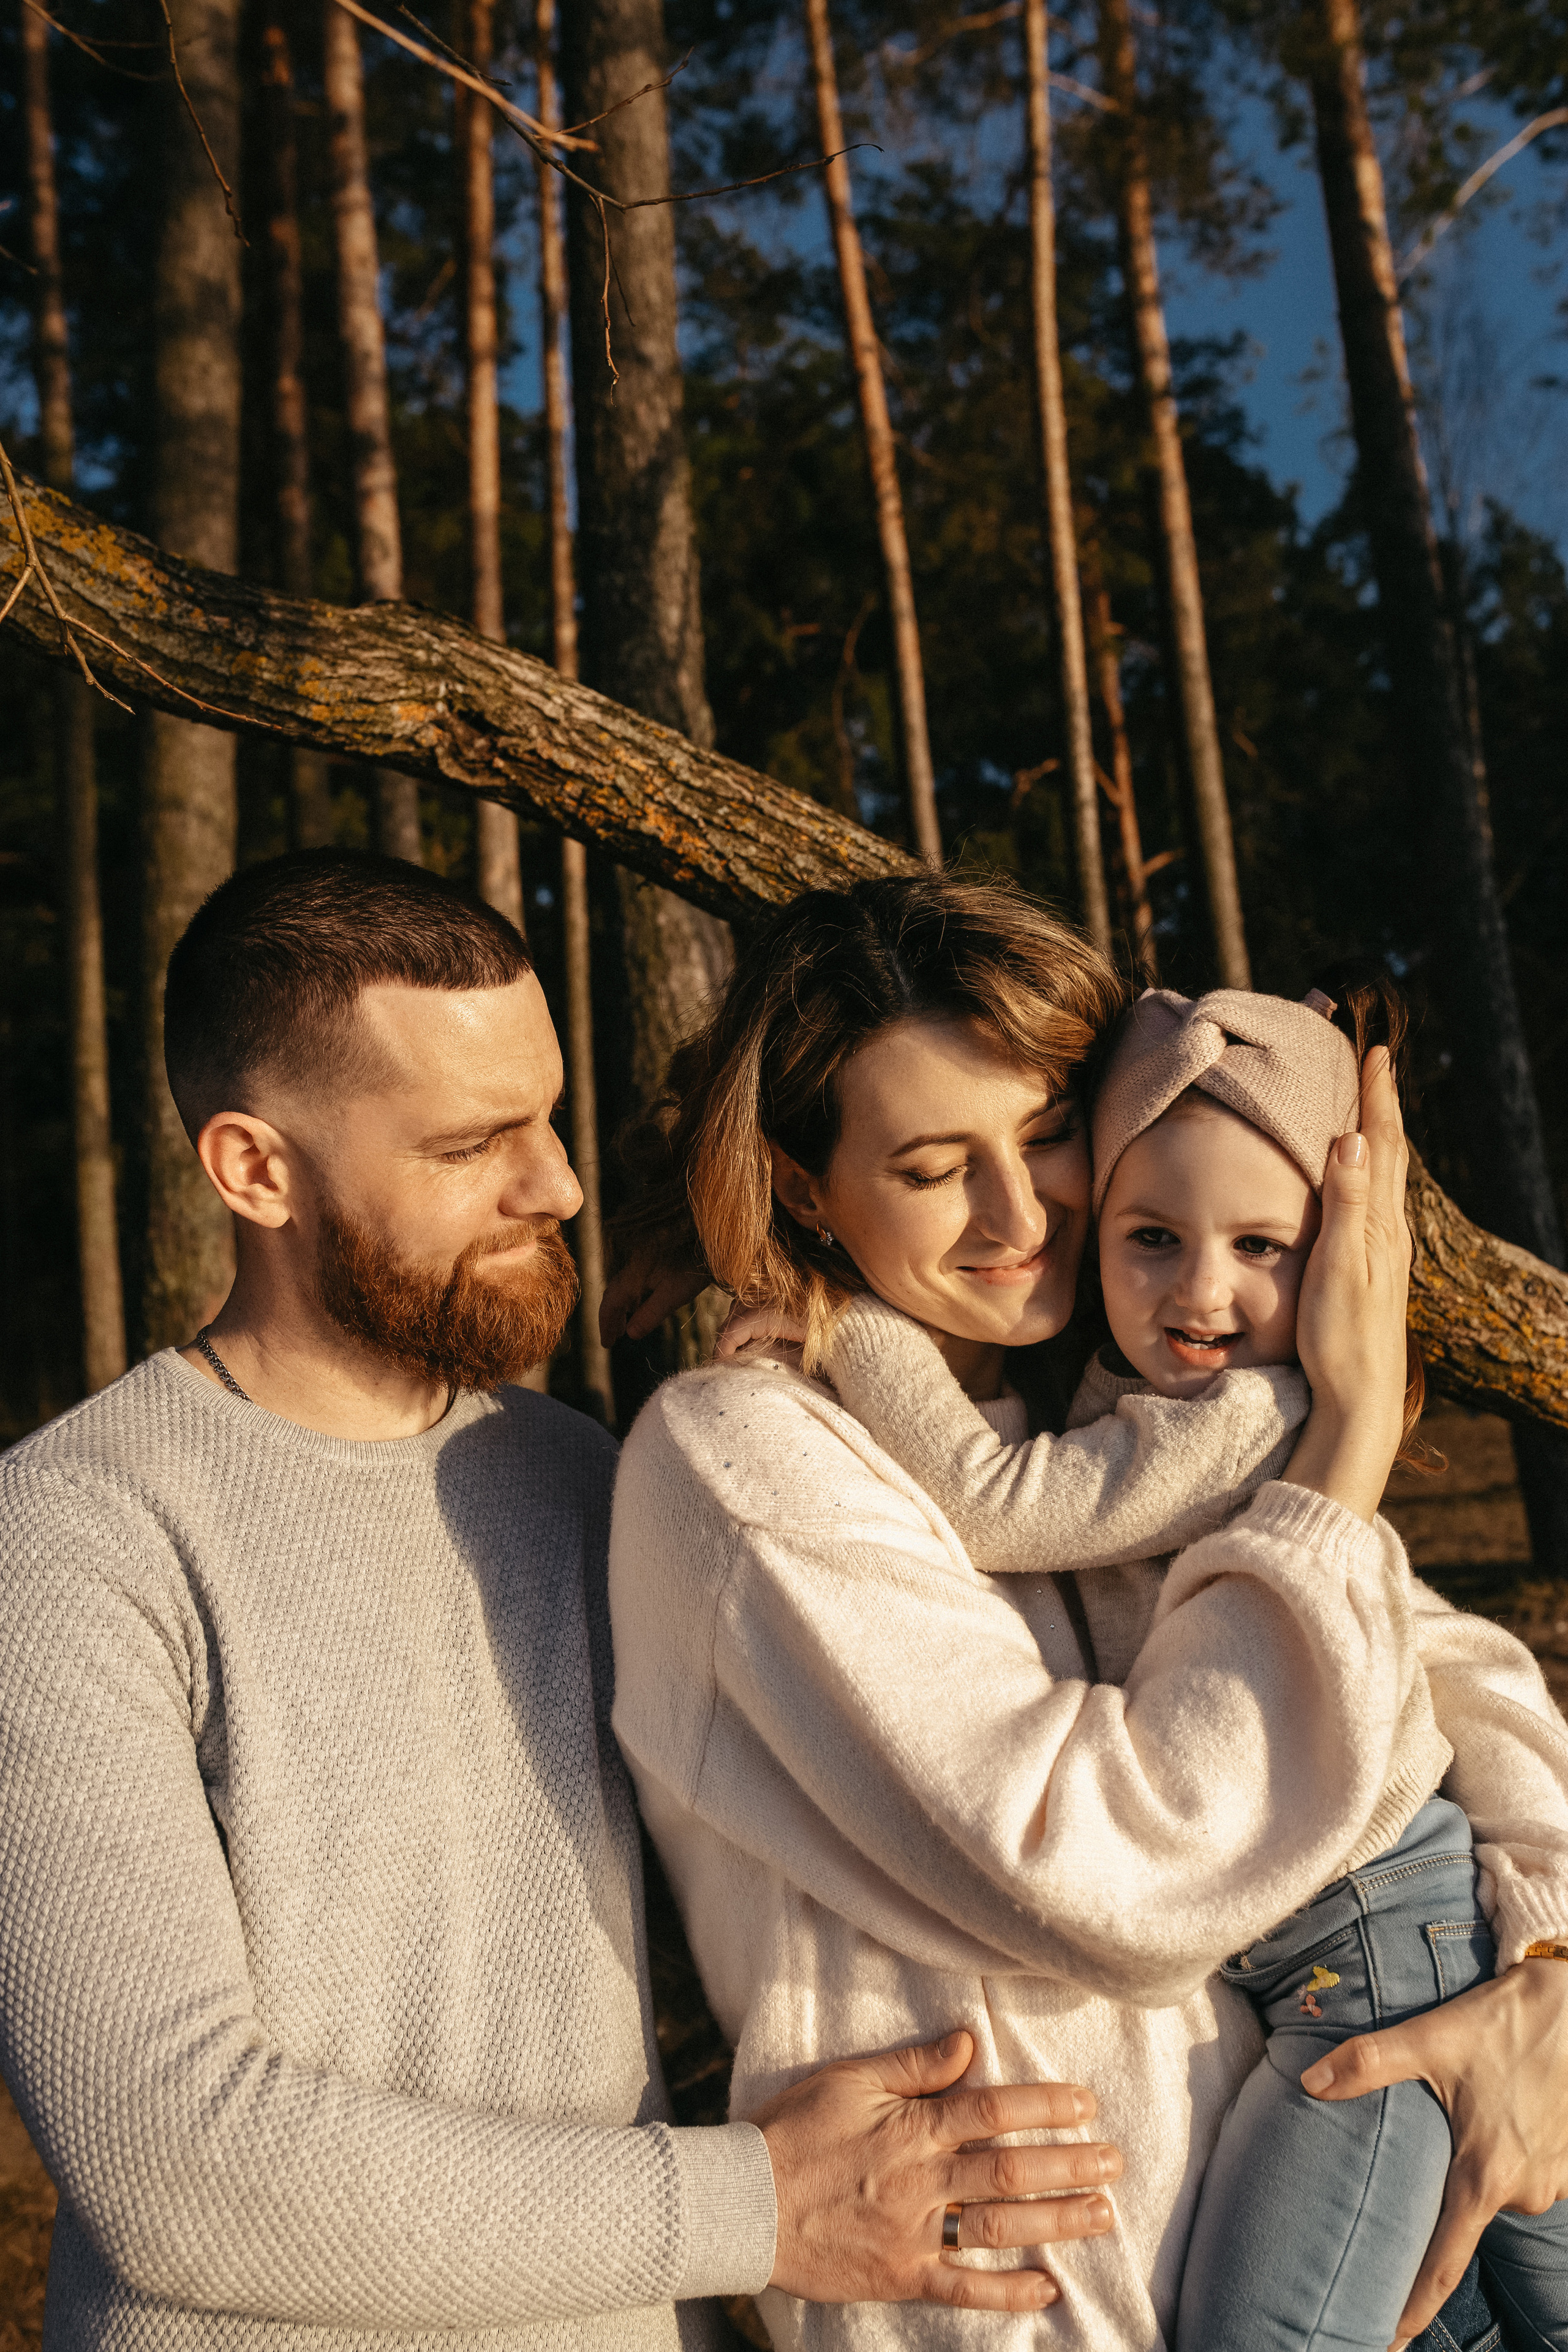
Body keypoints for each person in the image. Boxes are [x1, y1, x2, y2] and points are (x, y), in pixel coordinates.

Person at [0, 850, 1122, 2352]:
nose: (559, 1184)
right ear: (253, 1170)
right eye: (475, 1143)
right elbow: (172, 2161)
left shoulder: (589, 1479)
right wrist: (763, 2209)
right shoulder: (72, 1534)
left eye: (547, 1115)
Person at [603, 872, 1568, 2352]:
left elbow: (1449, 1671)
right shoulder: (743, 1452)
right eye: (934, 1166)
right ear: (804, 1189)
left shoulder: (1097, 1413)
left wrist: (1547, 1976)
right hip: (1037, 2313)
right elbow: (1118, 1870)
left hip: (1336, 2200)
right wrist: (1344, 1446)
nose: (1018, 1213)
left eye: (1047, 1134)